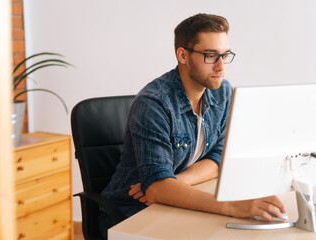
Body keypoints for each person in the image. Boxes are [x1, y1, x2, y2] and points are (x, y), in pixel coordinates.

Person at [99, 13, 285, 238]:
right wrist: (231, 205)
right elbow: (157, 190)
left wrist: (173, 183)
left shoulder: (222, 92)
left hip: (175, 200)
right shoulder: (154, 103)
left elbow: (218, 159)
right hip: (131, 212)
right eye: (210, 56)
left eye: (225, 55)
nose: (220, 66)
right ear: (183, 55)